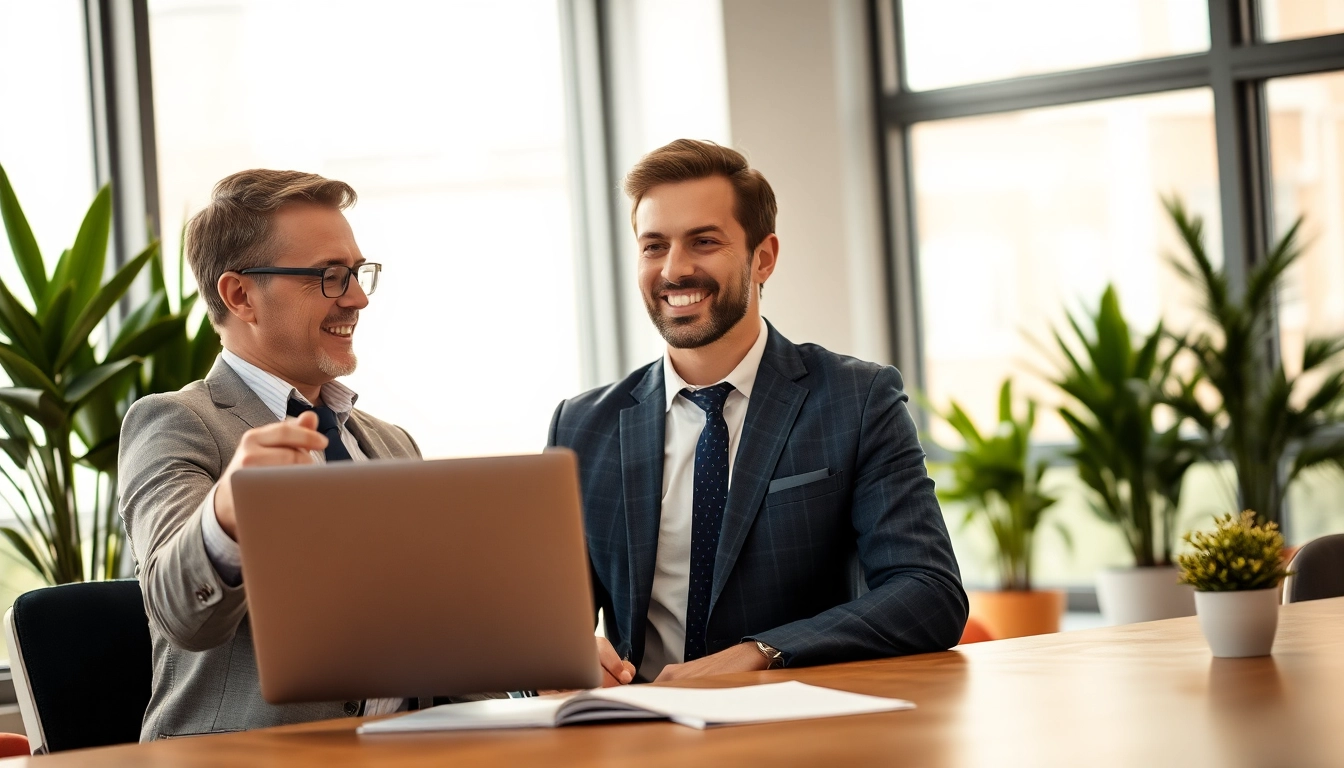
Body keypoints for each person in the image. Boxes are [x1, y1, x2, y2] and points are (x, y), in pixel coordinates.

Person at [548, 140, 968, 683]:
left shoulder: (856, 400)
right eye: (654, 246)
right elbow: (545, 625)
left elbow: (927, 592)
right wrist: (562, 657)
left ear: (763, 257)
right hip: (638, 735)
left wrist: (760, 654)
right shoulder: (583, 426)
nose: (674, 270)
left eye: (703, 241)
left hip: (799, 728)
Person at [120, 170, 417, 740]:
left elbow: (438, 627)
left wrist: (539, 674)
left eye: (357, 274)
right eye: (329, 276)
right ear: (240, 295)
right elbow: (179, 611)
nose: (356, 298)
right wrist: (227, 514)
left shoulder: (392, 444)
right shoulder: (179, 424)